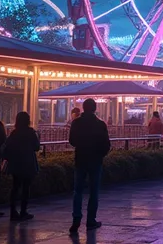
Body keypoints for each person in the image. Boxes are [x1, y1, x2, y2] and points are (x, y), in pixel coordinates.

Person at [69, 98, 110, 233]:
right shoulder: (100, 124)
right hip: (95, 160)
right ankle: (91, 220)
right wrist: (100, 154)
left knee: (78, 191)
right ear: (95, 109)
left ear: (83, 108)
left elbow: (72, 141)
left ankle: (76, 218)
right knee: (94, 191)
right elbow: (106, 144)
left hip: (80, 159)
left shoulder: (76, 123)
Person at [3, 112, 40, 221]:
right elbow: (36, 147)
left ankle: (13, 211)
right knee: (25, 188)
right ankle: (23, 211)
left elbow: (7, 146)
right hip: (28, 162)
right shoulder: (31, 132)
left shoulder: (14, 133)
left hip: (16, 163)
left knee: (15, 187)